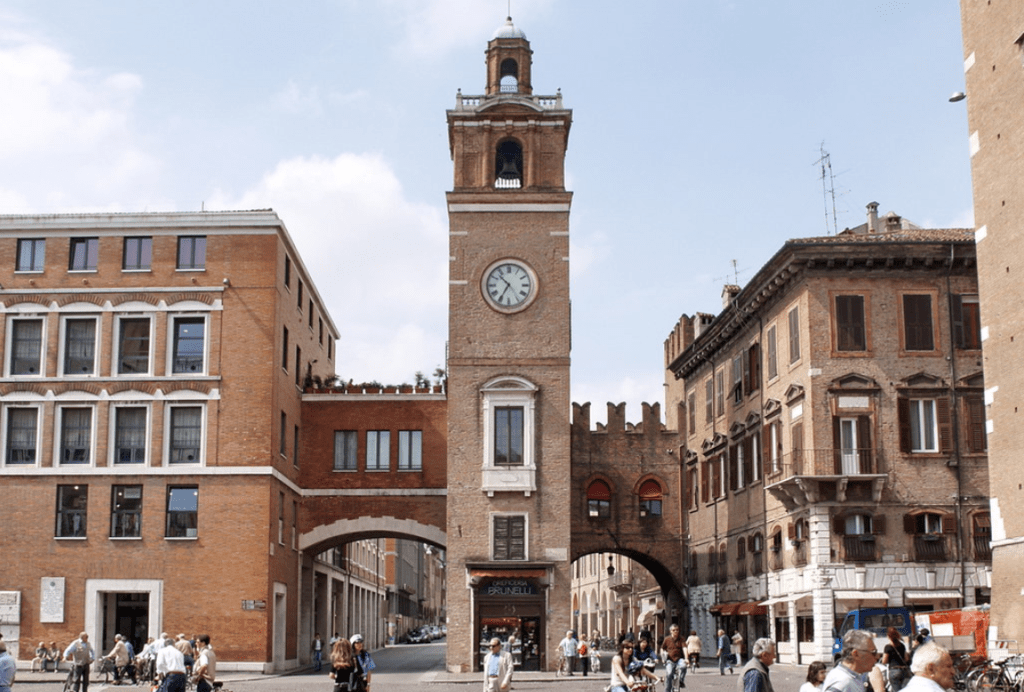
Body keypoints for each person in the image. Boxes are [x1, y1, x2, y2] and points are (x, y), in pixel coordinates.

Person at [882, 626, 910, 692]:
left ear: (888, 636)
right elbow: (906, 659)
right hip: (904, 670)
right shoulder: (902, 645)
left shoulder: (888, 647)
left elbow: (884, 661)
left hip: (894, 670)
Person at [662, 624, 686, 689]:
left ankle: (681, 681)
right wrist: (663, 657)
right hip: (669, 660)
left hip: (679, 659)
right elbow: (662, 648)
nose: (676, 631)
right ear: (671, 631)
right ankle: (668, 689)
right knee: (669, 674)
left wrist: (686, 658)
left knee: (684, 666)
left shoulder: (681, 639)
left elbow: (684, 648)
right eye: (674, 630)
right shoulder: (667, 639)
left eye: (677, 630)